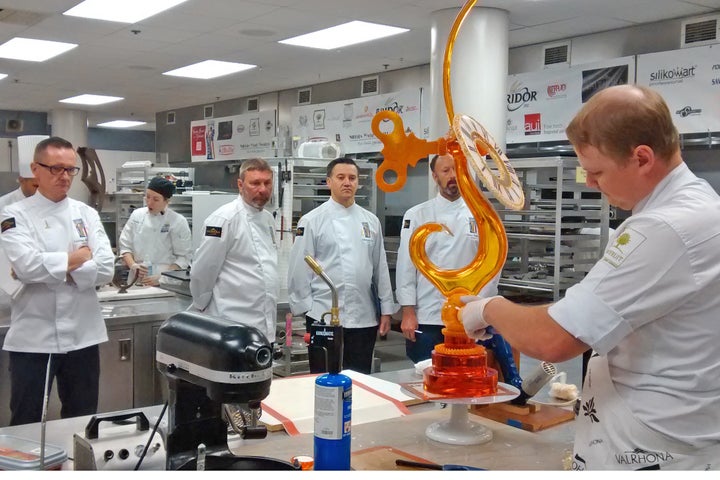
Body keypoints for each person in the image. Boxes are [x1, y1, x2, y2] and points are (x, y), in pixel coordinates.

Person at [459, 85, 720, 470]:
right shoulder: (700, 205)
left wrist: (489, 308)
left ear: (642, 158)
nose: (591, 184)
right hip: (669, 431)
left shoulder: (665, 228)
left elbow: (553, 339)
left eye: (597, 172)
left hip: (654, 448)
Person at [0, 136, 115, 426]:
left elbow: (105, 268)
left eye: (69, 170)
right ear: (35, 169)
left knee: (82, 420)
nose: (64, 176)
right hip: (34, 339)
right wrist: (76, 260)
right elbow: (26, 266)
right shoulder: (13, 215)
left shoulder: (86, 214)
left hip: (84, 336)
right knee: (26, 421)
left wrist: (52, 266)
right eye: (55, 169)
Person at [287, 157, 396, 374]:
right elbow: (299, 269)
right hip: (323, 315)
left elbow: (380, 269)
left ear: (358, 182)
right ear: (329, 182)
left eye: (352, 178)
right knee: (323, 376)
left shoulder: (370, 221)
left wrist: (386, 310)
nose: (347, 182)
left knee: (360, 378)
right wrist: (307, 309)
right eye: (341, 177)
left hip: (363, 316)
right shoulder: (311, 221)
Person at [395, 154, 500, 364]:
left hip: (468, 318)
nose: (453, 176)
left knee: (464, 380)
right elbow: (406, 266)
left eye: (458, 170)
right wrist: (408, 311)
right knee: (426, 378)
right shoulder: (417, 214)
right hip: (427, 315)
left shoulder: (483, 215)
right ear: (435, 176)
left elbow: (493, 267)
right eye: (446, 171)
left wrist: (481, 311)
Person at [189, 158, 278, 342]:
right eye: (255, 183)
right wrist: (202, 307)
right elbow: (203, 271)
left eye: (267, 183)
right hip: (230, 324)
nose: (262, 189)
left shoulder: (268, 219)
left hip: (264, 324)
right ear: (240, 184)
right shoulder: (224, 219)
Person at [118, 176, 191, 286]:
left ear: (167, 201)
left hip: (165, 282)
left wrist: (162, 277)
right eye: (147, 197)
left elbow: (183, 258)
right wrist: (133, 266)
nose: (149, 202)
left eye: (156, 199)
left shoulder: (178, 221)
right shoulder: (137, 215)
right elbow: (125, 246)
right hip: (136, 279)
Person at [0, 136, 44, 211]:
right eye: (35, 186)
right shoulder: (3, 205)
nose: (40, 191)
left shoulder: (53, 203)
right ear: (22, 180)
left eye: (44, 186)